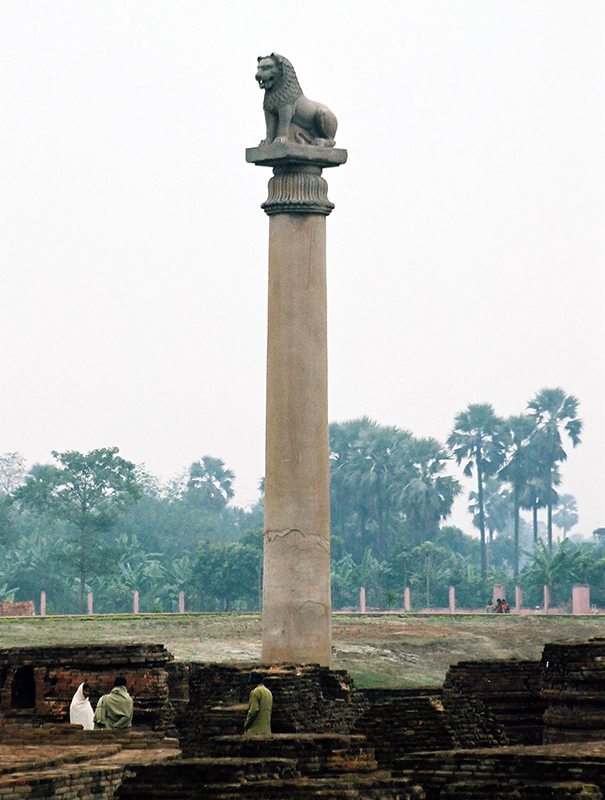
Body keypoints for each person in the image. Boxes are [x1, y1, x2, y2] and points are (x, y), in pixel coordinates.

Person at [243, 671, 273, 735]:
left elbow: (254, 710)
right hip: (267, 730)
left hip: (255, 730)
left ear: (253, 683)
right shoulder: (268, 692)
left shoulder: (255, 692)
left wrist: (246, 724)